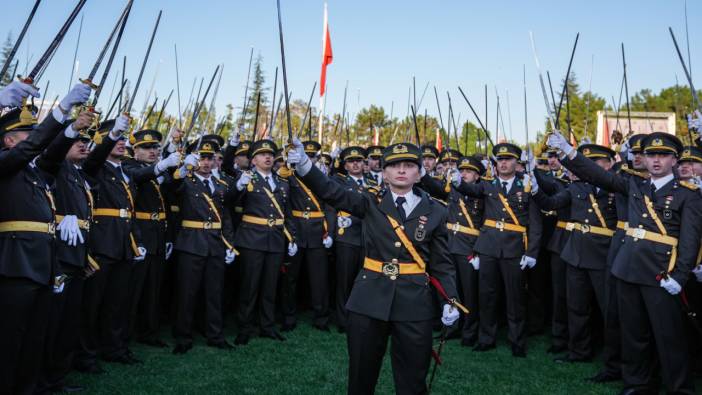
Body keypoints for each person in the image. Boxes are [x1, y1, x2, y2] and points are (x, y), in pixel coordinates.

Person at [288, 139, 462, 394]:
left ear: (419, 172)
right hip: (368, 299)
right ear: (384, 172)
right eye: (393, 165)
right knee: (361, 375)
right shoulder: (369, 201)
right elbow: (330, 191)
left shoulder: (436, 210)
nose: (401, 170)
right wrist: (304, 164)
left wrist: (451, 299)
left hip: (414, 301)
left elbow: (442, 263)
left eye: (408, 165)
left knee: (413, 379)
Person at [549, 130, 702, 394]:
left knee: (669, 336)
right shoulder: (635, 185)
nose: (656, 160)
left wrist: (680, 276)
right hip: (628, 269)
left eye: (663, 156)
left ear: (674, 160)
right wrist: (569, 151)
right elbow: (597, 175)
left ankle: (680, 388)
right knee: (634, 334)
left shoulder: (687, 195)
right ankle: (637, 383)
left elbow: (689, 241)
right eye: (651, 155)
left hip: (661, 274)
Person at [0, 82, 91, 394]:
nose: (34, 139)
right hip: (15, 264)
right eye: (27, 134)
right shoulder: (5, 163)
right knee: (11, 340)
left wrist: (68, 127)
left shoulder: (34, 173)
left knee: (35, 338)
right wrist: (61, 109)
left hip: (42, 264)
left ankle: (31, 387)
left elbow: (50, 155)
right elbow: (34, 147)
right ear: (8, 140)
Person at [451, 142, 542, 357]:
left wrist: (531, 253)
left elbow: (535, 225)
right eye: (500, 159)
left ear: (516, 163)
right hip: (488, 247)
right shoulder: (487, 185)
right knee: (487, 296)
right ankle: (486, 338)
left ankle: (517, 341)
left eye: (508, 159)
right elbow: (469, 188)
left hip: (514, 249)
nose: (503, 163)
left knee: (515, 298)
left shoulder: (527, 186)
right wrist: (456, 181)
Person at [531, 144, 618, 363]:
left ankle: (614, 358)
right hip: (575, 253)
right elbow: (552, 202)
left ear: (610, 164)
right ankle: (579, 351)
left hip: (603, 254)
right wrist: (535, 190)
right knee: (576, 306)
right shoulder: (577, 188)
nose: (588, 168)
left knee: (608, 309)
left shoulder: (617, 188)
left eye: (595, 163)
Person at [77, 114, 147, 369]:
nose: (120, 143)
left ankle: (114, 348)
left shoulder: (126, 171)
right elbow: (95, 158)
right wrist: (112, 135)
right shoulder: (94, 166)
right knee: (93, 303)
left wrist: (136, 241)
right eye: (113, 139)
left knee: (117, 302)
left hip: (124, 242)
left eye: (121, 138)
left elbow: (130, 210)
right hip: (103, 242)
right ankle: (86, 354)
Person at [38, 115, 98, 394]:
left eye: (87, 141)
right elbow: (51, 155)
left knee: (68, 321)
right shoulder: (55, 166)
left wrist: (84, 256)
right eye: (77, 140)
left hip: (75, 255)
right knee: (52, 322)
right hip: (57, 255)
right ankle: (44, 379)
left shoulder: (77, 173)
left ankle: (56, 377)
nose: (84, 145)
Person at [170, 140, 236, 354]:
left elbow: (225, 217)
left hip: (215, 244)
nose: (206, 162)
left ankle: (215, 335)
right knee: (187, 293)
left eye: (210, 158)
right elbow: (171, 186)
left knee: (214, 293)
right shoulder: (185, 181)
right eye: (202, 158)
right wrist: (183, 168)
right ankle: (183, 337)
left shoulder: (221, 185)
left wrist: (229, 244)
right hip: (191, 242)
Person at [232, 139, 297, 345]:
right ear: (253, 160)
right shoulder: (246, 179)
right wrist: (239, 186)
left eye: (270, 154)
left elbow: (287, 213)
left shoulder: (282, 182)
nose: (268, 157)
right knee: (249, 286)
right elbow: (228, 202)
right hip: (252, 238)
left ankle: (267, 326)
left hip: (275, 239)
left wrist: (292, 236)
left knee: (270, 286)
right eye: (262, 154)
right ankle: (245, 327)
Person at [122, 130, 181, 348]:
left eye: (155, 148)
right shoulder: (128, 167)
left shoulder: (160, 172)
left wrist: (178, 169)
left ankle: (149, 331)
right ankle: (125, 334)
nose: (153, 151)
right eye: (146, 148)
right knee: (134, 290)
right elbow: (140, 177)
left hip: (158, 233)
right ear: (135, 150)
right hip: (140, 234)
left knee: (153, 289)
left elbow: (170, 198)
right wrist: (163, 165)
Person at [421, 155, 485, 347]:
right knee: (450, 290)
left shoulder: (483, 192)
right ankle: (451, 327)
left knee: (469, 292)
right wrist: (423, 174)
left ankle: (470, 331)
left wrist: (479, 251)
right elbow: (434, 188)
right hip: (449, 244)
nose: (464, 174)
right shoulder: (452, 187)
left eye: (469, 171)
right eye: (462, 170)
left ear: (477, 176)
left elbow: (486, 224)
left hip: (469, 247)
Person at [282, 140, 334, 332]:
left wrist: (330, 232)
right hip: (296, 230)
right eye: (307, 155)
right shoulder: (290, 175)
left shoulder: (321, 177)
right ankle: (288, 316)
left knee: (319, 279)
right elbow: (285, 205)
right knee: (291, 278)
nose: (310, 159)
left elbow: (329, 206)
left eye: (313, 156)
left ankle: (321, 318)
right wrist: (289, 233)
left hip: (317, 232)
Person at [331, 146, 377, 333]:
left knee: (364, 281)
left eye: (359, 160)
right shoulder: (339, 181)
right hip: (347, 236)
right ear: (345, 165)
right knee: (344, 281)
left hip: (367, 237)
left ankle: (361, 318)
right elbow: (331, 205)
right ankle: (343, 320)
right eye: (351, 161)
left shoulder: (372, 181)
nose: (356, 163)